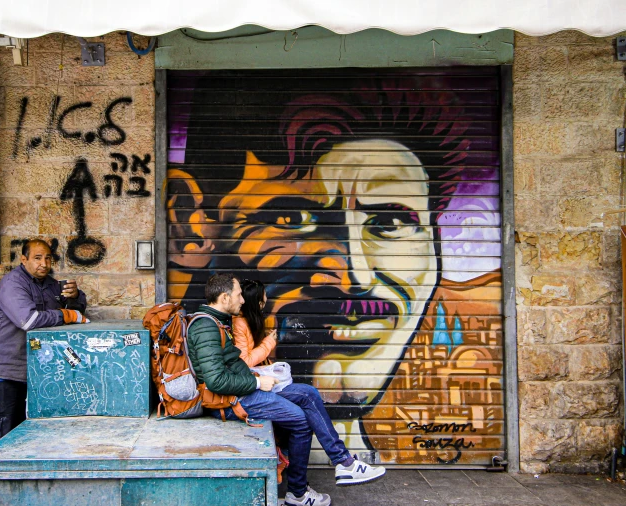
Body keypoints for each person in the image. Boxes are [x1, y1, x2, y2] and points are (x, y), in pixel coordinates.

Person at [167, 76, 483, 450]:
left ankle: (341, 465)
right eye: (291, 219)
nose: (355, 278)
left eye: (391, 223)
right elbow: (218, 379)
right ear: (188, 225)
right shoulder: (213, 325)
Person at [186, 273, 386, 506]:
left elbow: (232, 366)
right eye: (239, 295)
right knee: (301, 421)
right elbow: (217, 381)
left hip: (244, 388)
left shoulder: (217, 321)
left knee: (308, 393)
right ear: (225, 297)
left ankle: (344, 462)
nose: (242, 300)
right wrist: (257, 384)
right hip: (231, 401)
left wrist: (258, 377)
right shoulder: (206, 327)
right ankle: (298, 494)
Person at [0, 239, 89, 456]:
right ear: (24, 259)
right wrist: (65, 315)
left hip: (32, 372)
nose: (44, 263)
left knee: (20, 437)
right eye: (37, 258)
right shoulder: (13, 284)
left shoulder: (48, 285)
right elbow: (27, 321)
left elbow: (76, 310)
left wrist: (74, 298)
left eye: (48, 258)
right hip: (3, 374)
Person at [232, 279, 276, 367]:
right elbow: (245, 362)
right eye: (265, 294)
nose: (266, 298)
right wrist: (269, 342)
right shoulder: (238, 323)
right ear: (259, 303)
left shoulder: (250, 319)